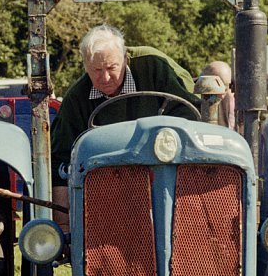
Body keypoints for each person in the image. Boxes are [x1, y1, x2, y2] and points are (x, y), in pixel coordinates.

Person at [49, 24, 203, 229]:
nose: (105, 78)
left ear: (124, 57)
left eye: (111, 68)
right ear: (85, 65)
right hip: (110, 187)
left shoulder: (154, 68)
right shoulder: (77, 99)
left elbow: (191, 114)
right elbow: (60, 161)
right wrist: (63, 224)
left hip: (165, 172)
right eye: (96, 70)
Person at [195, 60, 236, 129]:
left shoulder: (233, 100)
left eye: (226, 89)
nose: (222, 96)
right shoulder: (191, 97)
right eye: (218, 88)